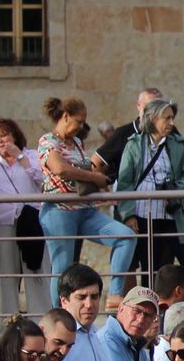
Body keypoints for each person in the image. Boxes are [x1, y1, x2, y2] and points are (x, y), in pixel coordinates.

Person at [37, 97, 136, 295]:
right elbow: (60, 169)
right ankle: (60, 317)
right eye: (79, 121)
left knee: (126, 237)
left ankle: (115, 294)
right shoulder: (48, 141)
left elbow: (82, 177)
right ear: (65, 117)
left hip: (86, 209)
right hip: (59, 211)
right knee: (62, 269)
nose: (82, 127)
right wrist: (94, 176)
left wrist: (101, 187)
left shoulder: (77, 142)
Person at [115, 97, 184, 278]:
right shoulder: (134, 145)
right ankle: (153, 305)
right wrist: (128, 214)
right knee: (151, 269)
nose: (171, 122)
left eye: (172, 118)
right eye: (167, 118)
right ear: (153, 119)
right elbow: (124, 182)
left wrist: (174, 191)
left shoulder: (177, 144)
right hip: (144, 215)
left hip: (173, 213)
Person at [0, 119, 50, 322]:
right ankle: (7, 325)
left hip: (30, 224)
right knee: (6, 279)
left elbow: (42, 179)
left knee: (36, 274)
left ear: (15, 136)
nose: (1, 141)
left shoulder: (30, 156)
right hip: (3, 225)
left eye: (5, 135)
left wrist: (19, 157)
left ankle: (40, 322)